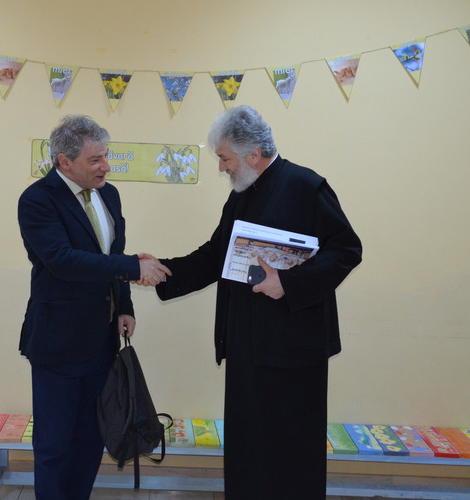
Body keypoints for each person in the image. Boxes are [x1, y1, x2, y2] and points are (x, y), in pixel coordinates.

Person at [154, 106, 362, 498]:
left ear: (253, 155)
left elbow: (347, 249)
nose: (221, 168)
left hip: (295, 352)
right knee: (248, 453)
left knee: (292, 456)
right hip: (247, 348)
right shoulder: (241, 196)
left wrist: (288, 283)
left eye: (224, 159)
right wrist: (162, 271)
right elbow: (215, 256)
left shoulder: (306, 187)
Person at [17, 115, 170, 500]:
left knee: (90, 439)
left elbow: (112, 253)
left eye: (106, 156)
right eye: (95, 159)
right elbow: (63, 261)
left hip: (101, 341)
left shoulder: (109, 194)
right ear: (64, 162)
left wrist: (125, 305)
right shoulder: (37, 200)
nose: (106, 166)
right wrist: (134, 267)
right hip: (58, 343)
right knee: (54, 444)